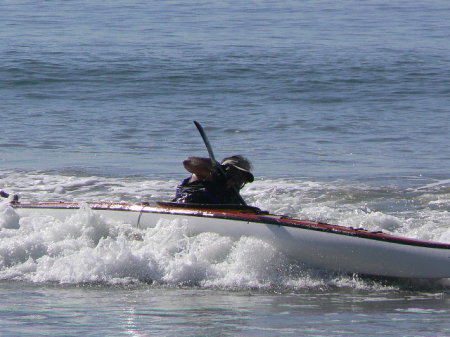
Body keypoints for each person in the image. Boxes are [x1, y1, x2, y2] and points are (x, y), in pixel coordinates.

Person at [172, 155, 254, 205]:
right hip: (186, 206)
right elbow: (187, 162)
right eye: (232, 175)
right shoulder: (208, 174)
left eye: (240, 179)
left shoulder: (233, 194)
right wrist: (213, 166)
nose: (235, 181)